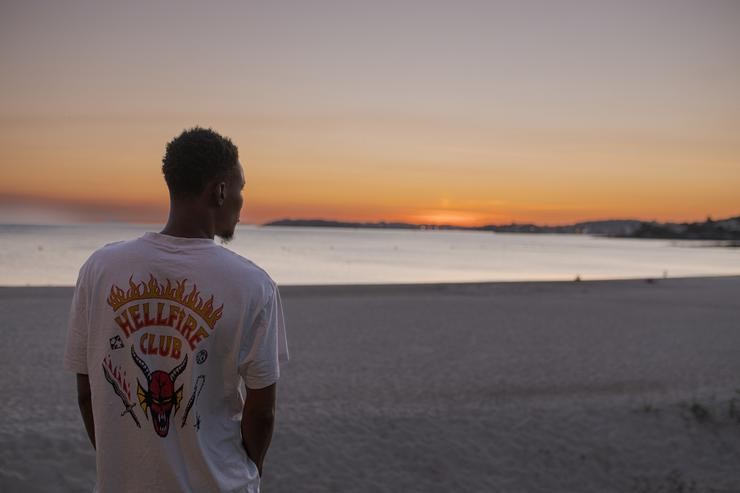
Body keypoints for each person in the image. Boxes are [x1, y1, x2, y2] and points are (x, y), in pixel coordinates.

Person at [64, 127, 289, 492]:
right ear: (219, 190)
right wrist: (251, 470)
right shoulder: (252, 285)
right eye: (240, 188)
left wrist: (122, 465)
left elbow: (87, 391)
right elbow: (262, 412)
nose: (242, 200)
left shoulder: (100, 268)